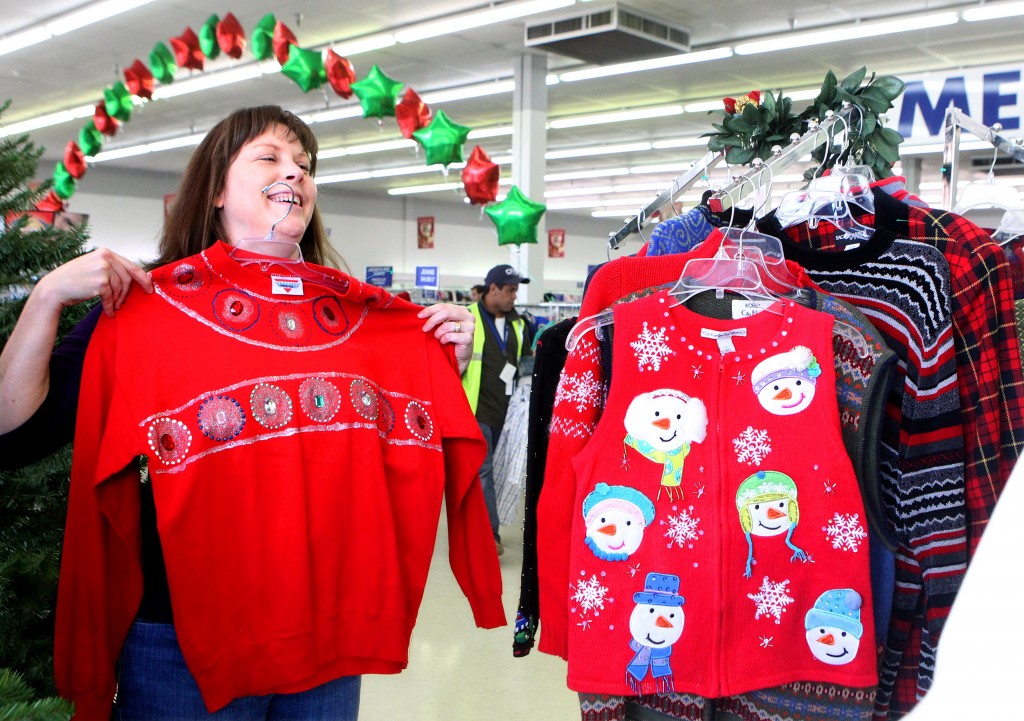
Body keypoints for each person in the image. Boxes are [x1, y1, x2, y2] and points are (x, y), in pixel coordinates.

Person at [0, 105, 504, 720]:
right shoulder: (148, 309)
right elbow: (12, 434)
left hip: (327, 637)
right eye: (269, 157)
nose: (293, 173)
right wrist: (47, 296)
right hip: (183, 642)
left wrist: (438, 368)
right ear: (215, 188)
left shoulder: (364, 321)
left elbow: (391, 457)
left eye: (305, 164)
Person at [461, 264, 533, 556]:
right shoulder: (467, 318)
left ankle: (481, 527)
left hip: (509, 413)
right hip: (476, 409)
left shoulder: (519, 324)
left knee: (500, 473)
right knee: (483, 470)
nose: (514, 296)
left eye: (516, 290)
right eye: (510, 290)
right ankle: (490, 533)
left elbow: (526, 363)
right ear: (493, 289)